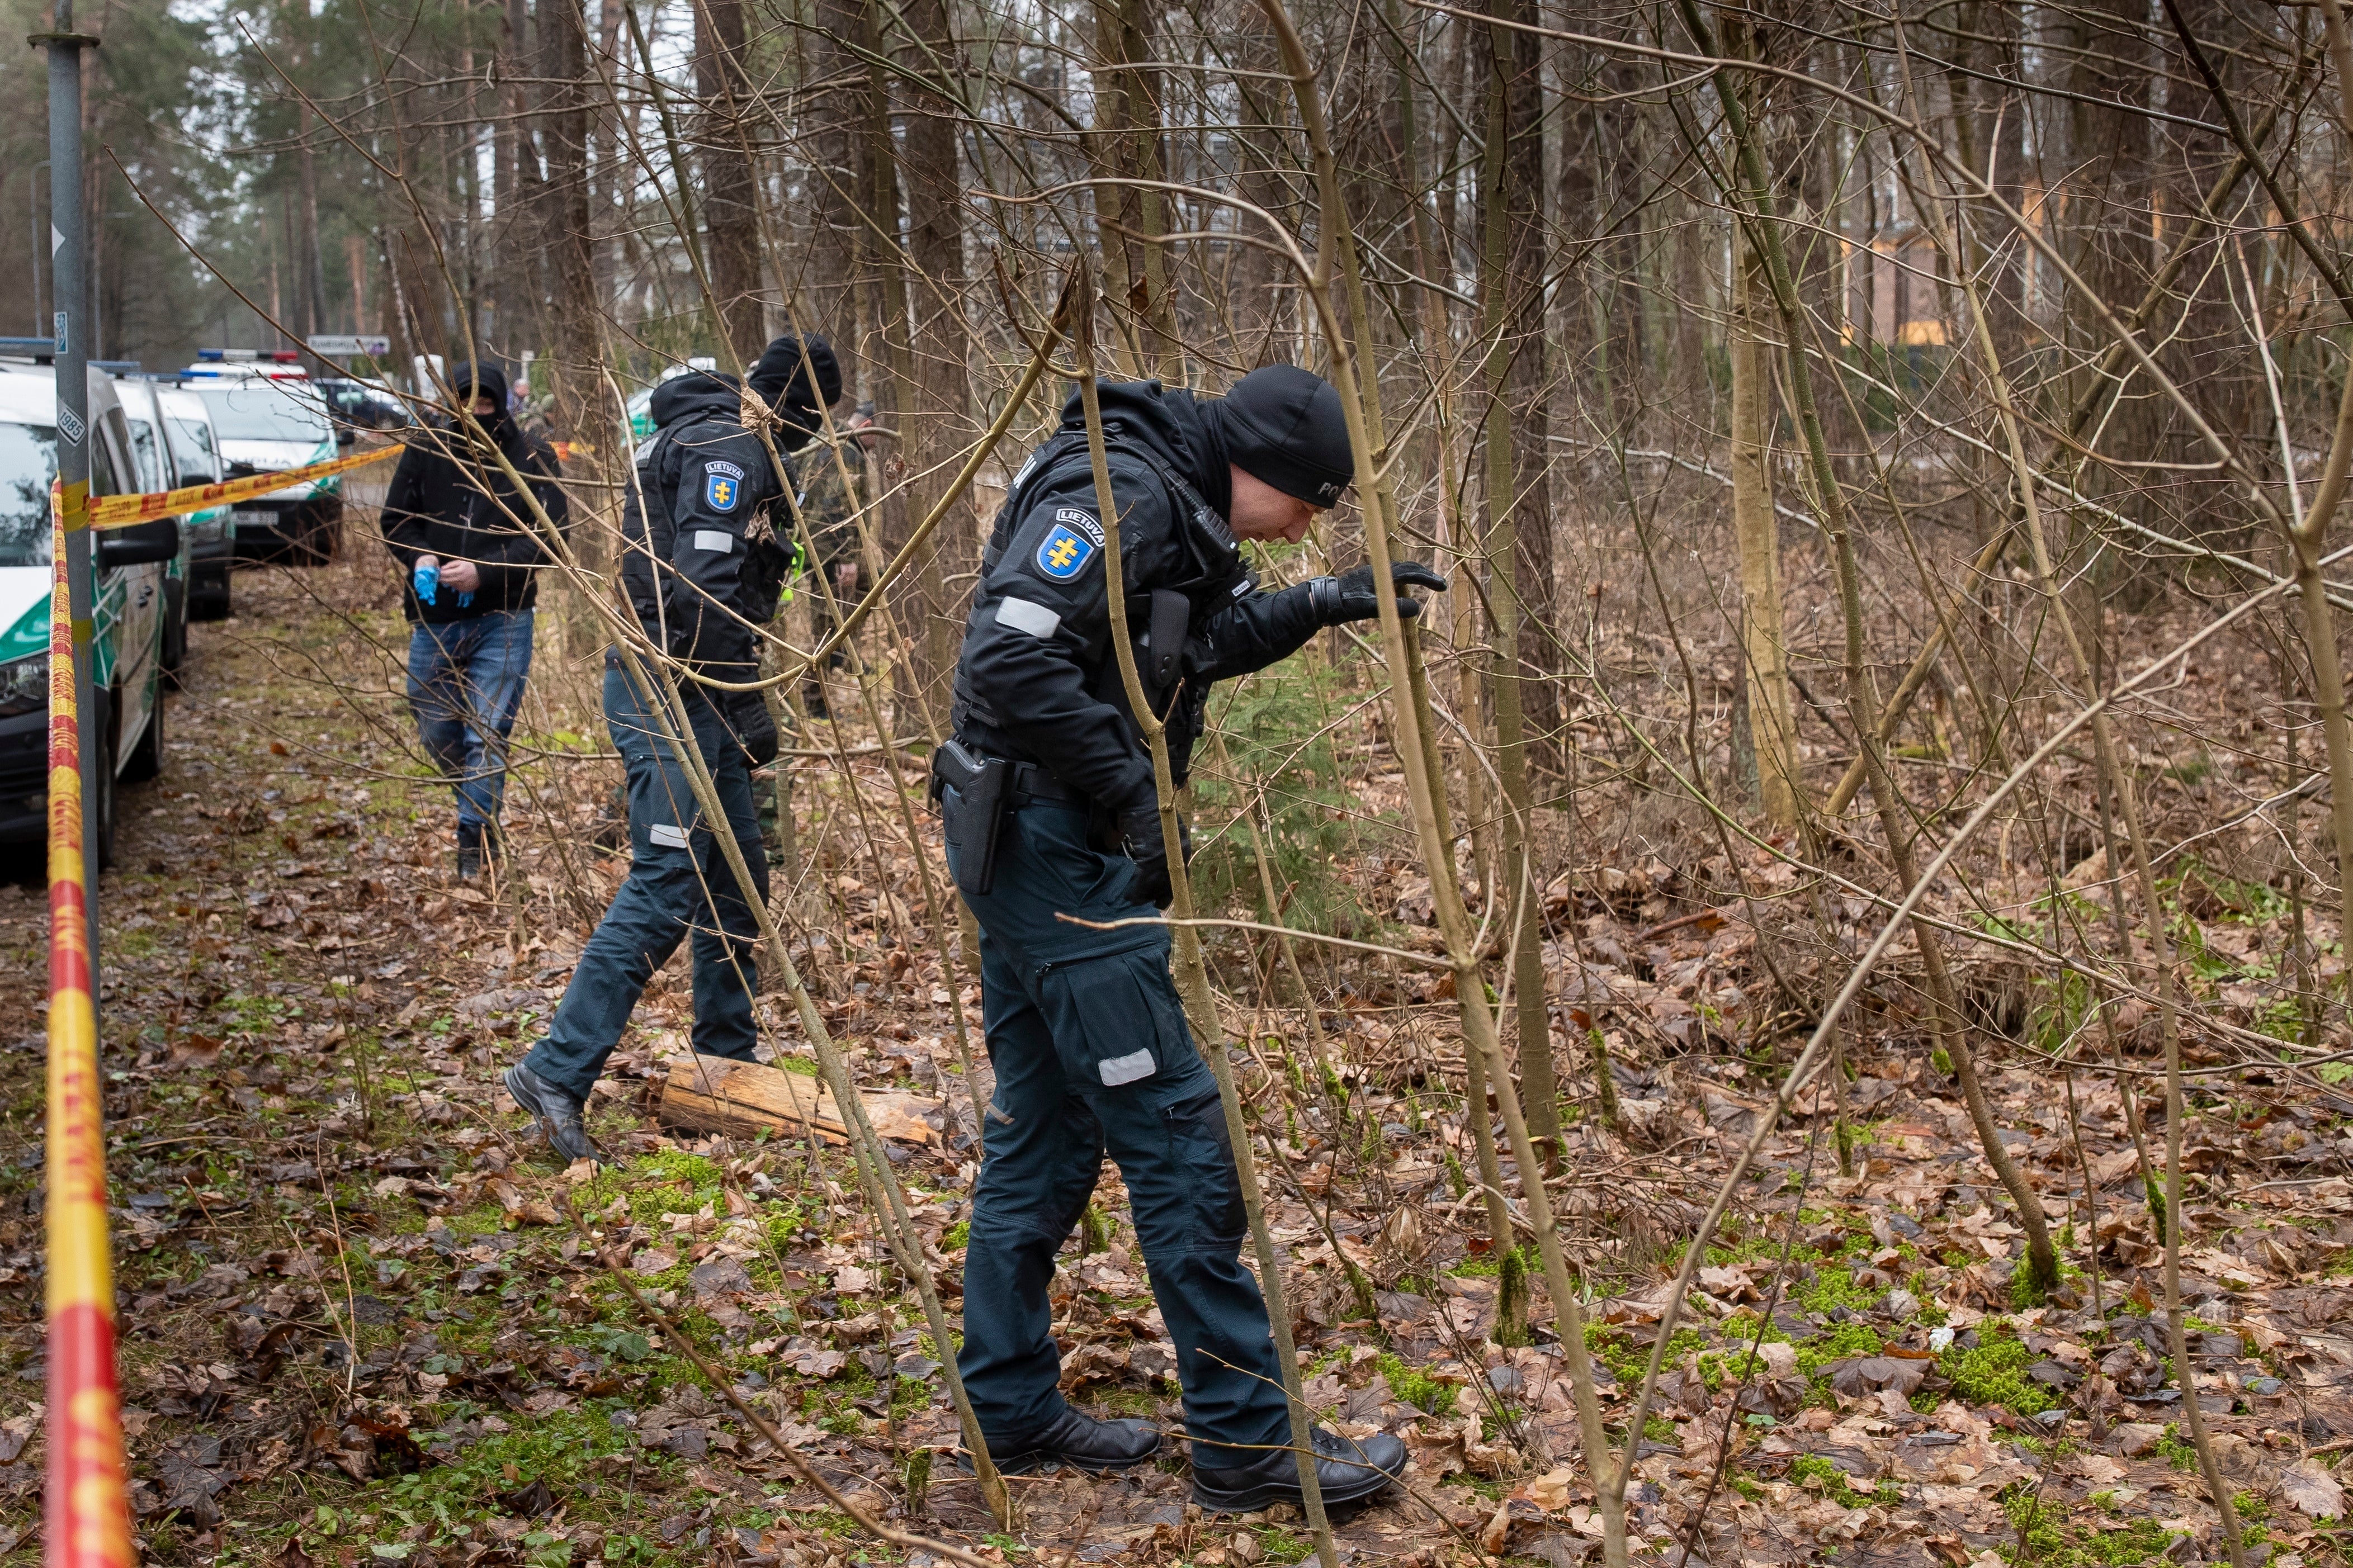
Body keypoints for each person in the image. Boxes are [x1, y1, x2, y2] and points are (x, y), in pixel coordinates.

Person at [935, 366, 1443, 1511]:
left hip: (1037, 848)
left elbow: (1185, 641)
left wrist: (1322, 600)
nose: (1311, 522)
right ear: (1261, 467)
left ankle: (1008, 1405)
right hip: (1055, 860)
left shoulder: (1169, 492)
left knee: (1047, 1131)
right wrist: (1129, 795)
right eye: (1311, 503)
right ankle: (1247, 1440)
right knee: (1178, 1141)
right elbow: (1006, 658)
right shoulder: (1120, 491)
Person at [504, 335, 842, 1165]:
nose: (806, 436)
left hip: (698, 687)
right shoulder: (727, 448)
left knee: (736, 872)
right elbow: (698, 591)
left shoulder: (713, 436)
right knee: (667, 878)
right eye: (811, 419)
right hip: (671, 689)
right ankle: (556, 1069)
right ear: (796, 406)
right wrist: (743, 700)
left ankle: (723, 1058)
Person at [380, 362, 570, 879]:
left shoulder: (530, 454)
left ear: (501, 404)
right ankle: (477, 801)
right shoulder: (427, 447)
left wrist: (486, 571)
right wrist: (419, 556)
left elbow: (555, 535)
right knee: (437, 727)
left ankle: (474, 842)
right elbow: (396, 519)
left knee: (488, 731)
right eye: (466, 405)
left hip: (504, 616)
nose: (476, 414)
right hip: (434, 617)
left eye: (486, 405)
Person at [790, 400, 877, 717]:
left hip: (816, 543)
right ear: (867, 427)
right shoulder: (848, 452)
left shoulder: (827, 439)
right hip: (828, 549)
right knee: (826, 624)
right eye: (876, 437)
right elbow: (834, 509)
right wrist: (846, 558)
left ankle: (841, 652)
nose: (876, 446)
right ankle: (815, 702)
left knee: (871, 583)